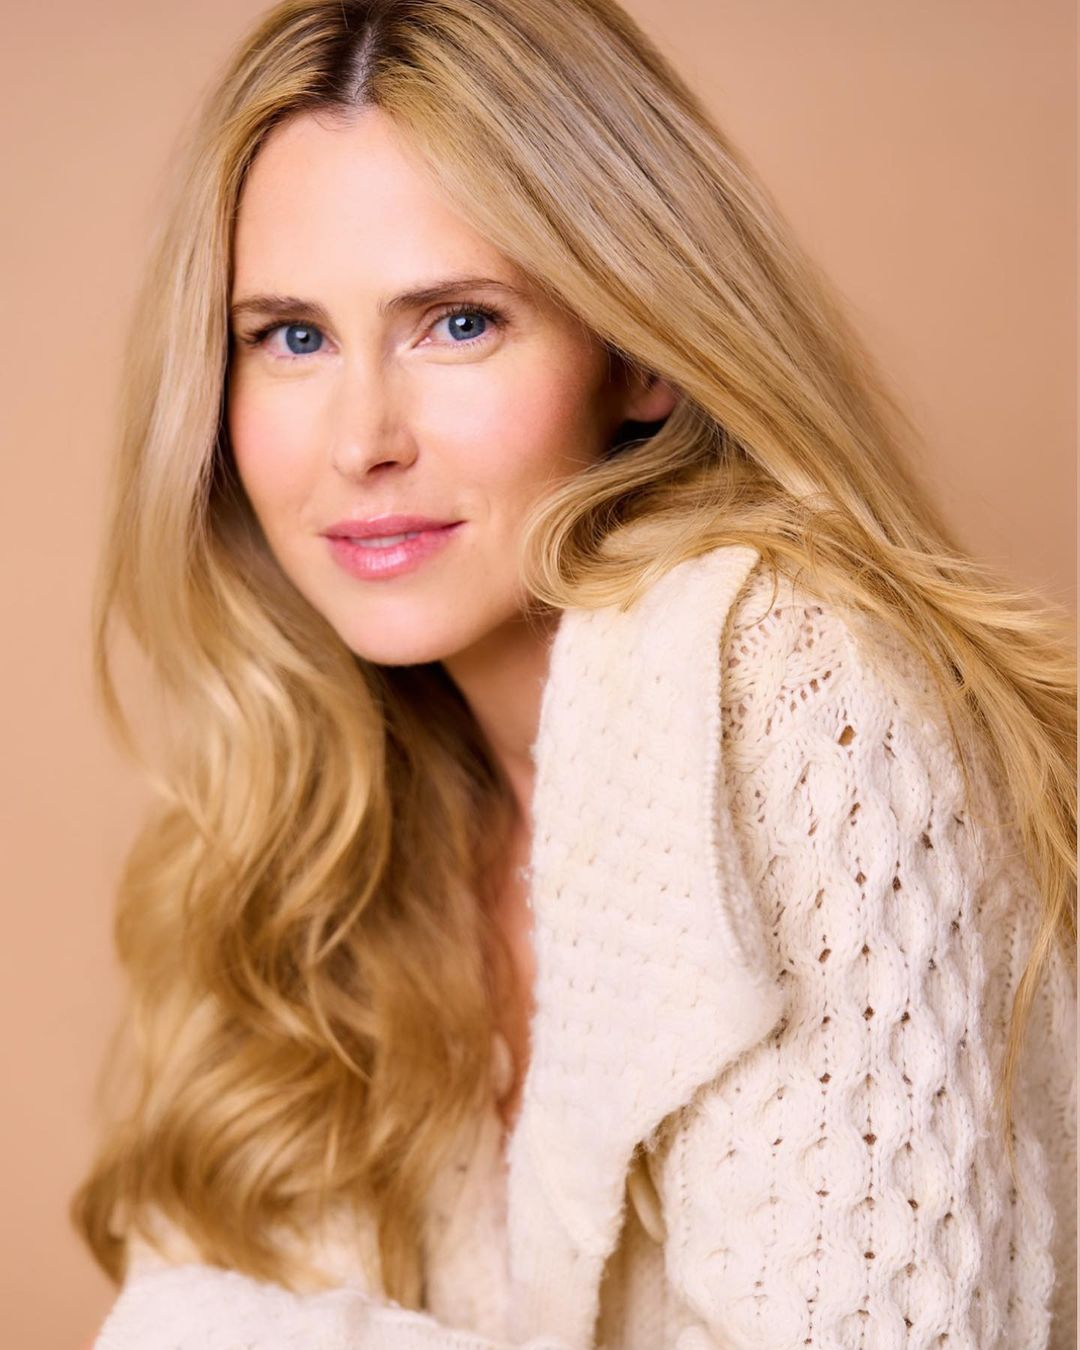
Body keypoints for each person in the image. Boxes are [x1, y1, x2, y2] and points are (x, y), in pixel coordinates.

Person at [75, 1, 1076, 1346]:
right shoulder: (321, 791)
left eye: (457, 323)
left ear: (639, 351)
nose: (362, 439)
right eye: (293, 338)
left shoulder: (797, 690)